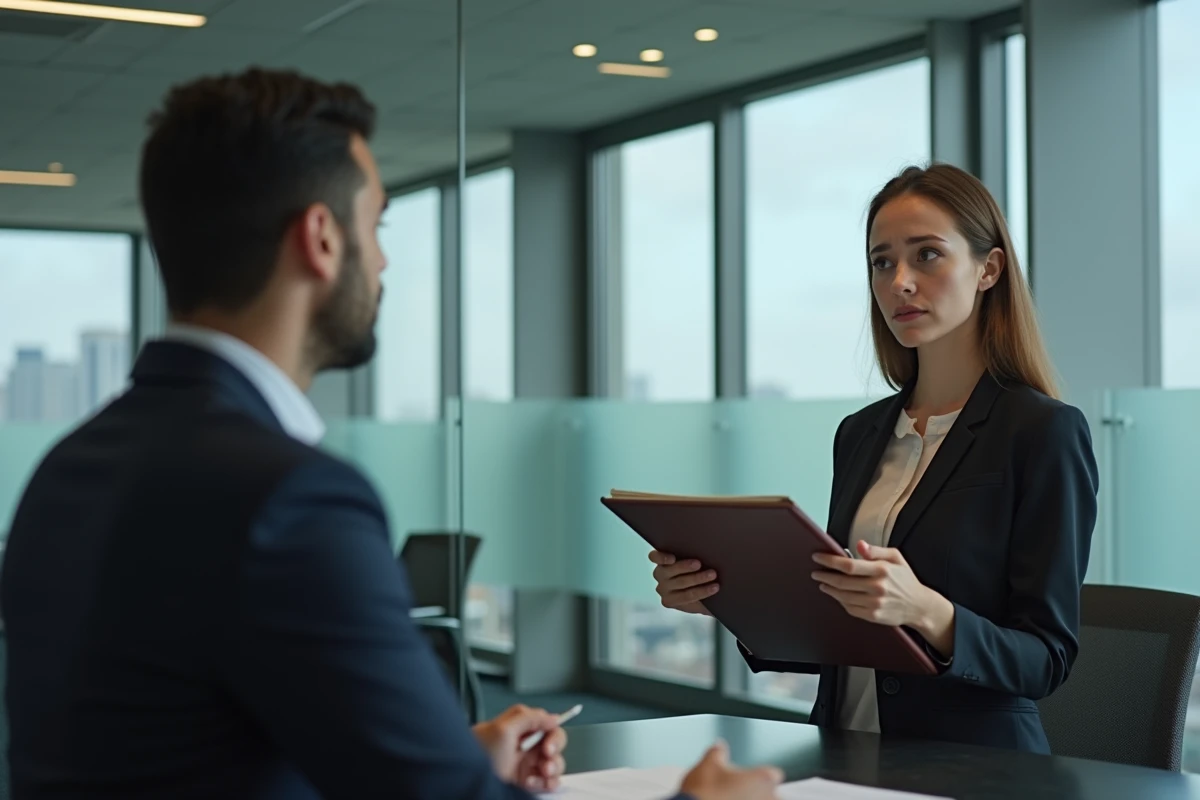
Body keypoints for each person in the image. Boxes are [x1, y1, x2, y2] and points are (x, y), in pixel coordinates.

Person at [0, 68, 783, 800]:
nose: (382, 261)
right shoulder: (290, 498)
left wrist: (438, 755)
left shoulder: (69, 470)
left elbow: (197, 743)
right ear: (321, 238)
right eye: (375, 225)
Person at [649, 163, 1098, 754]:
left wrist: (928, 612)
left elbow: (1047, 659)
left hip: (974, 770)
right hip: (843, 755)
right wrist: (730, 599)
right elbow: (841, 634)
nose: (899, 282)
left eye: (927, 255)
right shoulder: (860, 434)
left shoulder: (1042, 432)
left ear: (988, 269)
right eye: (882, 262)